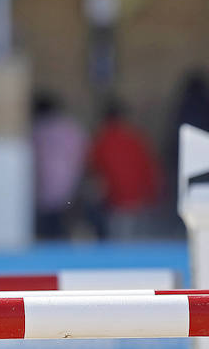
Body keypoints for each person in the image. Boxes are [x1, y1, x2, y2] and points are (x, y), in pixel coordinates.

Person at [85, 100, 162, 240]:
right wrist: (153, 196)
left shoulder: (102, 140)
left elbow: (93, 172)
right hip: (138, 201)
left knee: (118, 244)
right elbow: (150, 170)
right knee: (138, 244)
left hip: (116, 202)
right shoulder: (135, 138)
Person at [30, 91, 89, 239]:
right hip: (70, 183)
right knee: (63, 228)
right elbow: (82, 152)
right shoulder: (71, 127)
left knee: (46, 231)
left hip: (43, 186)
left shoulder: (37, 129)